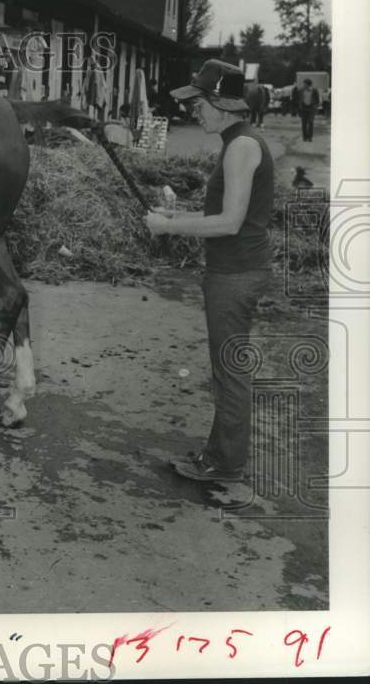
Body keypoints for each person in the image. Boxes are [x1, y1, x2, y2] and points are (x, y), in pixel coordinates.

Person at [145, 59, 274, 482]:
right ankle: (219, 456)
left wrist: (169, 225)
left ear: (223, 103)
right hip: (233, 270)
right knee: (227, 370)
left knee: (230, 373)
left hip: (235, 275)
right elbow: (225, 214)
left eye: (198, 103)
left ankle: (226, 466)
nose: (192, 111)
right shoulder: (238, 141)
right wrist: (177, 212)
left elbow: (230, 222)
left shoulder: (241, 146)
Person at [297, 78, 321, 142]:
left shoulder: (314, 90)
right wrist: (299, 108)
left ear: (308, 85)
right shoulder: (301, 90)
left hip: (311, 108)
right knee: (304, 124)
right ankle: (305, 137)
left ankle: (310, 137)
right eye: (303, 84)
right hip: (304, 108)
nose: (303, 85)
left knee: (310, 122)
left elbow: (317, 100)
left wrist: (315, 107)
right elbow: (299, 100)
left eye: (305, 84)